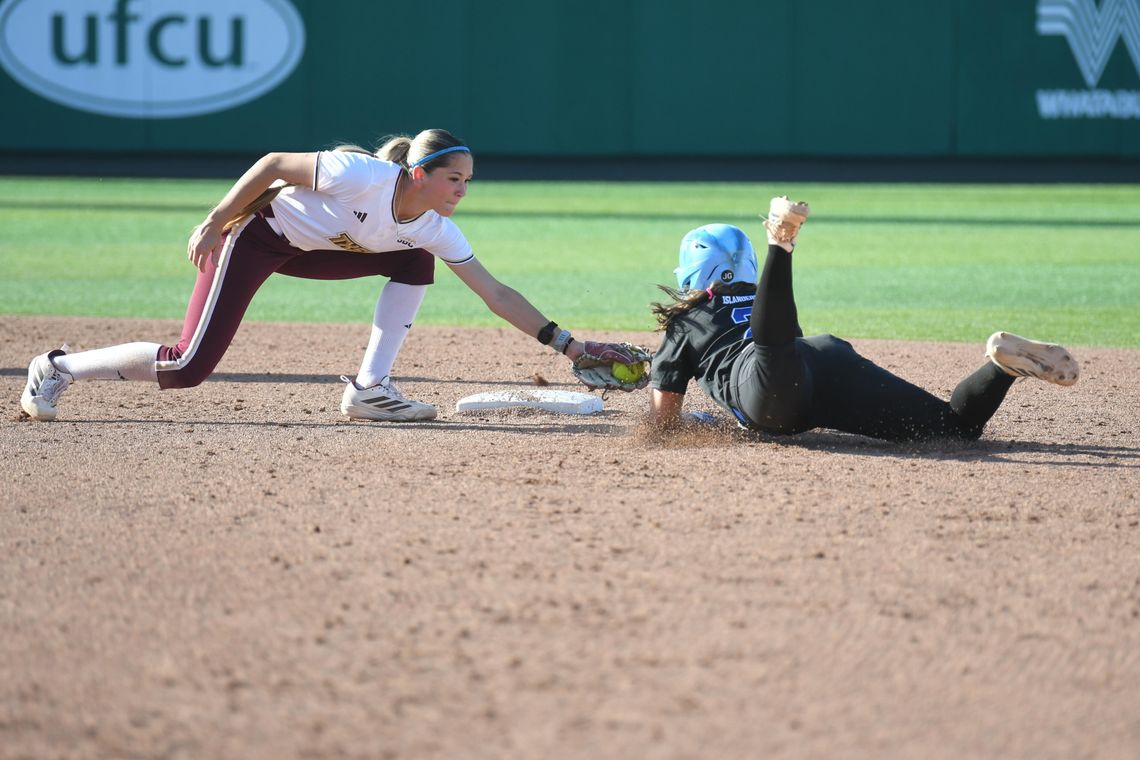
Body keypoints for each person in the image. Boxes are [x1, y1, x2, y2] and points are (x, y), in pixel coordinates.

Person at [20, 128, 631, 422]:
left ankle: (370, 389)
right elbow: (271, 165)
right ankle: (55, 367)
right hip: (261, 239)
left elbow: (494, 293)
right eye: (455, 178)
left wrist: (568, 343)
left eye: (469, 181)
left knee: (415, 261)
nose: (463, 190)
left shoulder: (433, 227)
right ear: (419, 172)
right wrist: (215, 220)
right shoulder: (361, 174)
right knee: (185, 367)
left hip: (324, 252)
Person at [647, 196, 1080, 442]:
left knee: (770, 351)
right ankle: (1000, 366)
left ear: (694, 271)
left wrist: (685, 408)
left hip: (772, 388)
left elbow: (662, 425)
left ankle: (782, 245)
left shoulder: (686, 319)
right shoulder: (758, 303)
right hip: (821, 359)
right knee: (954, 429)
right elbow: (781, 348)